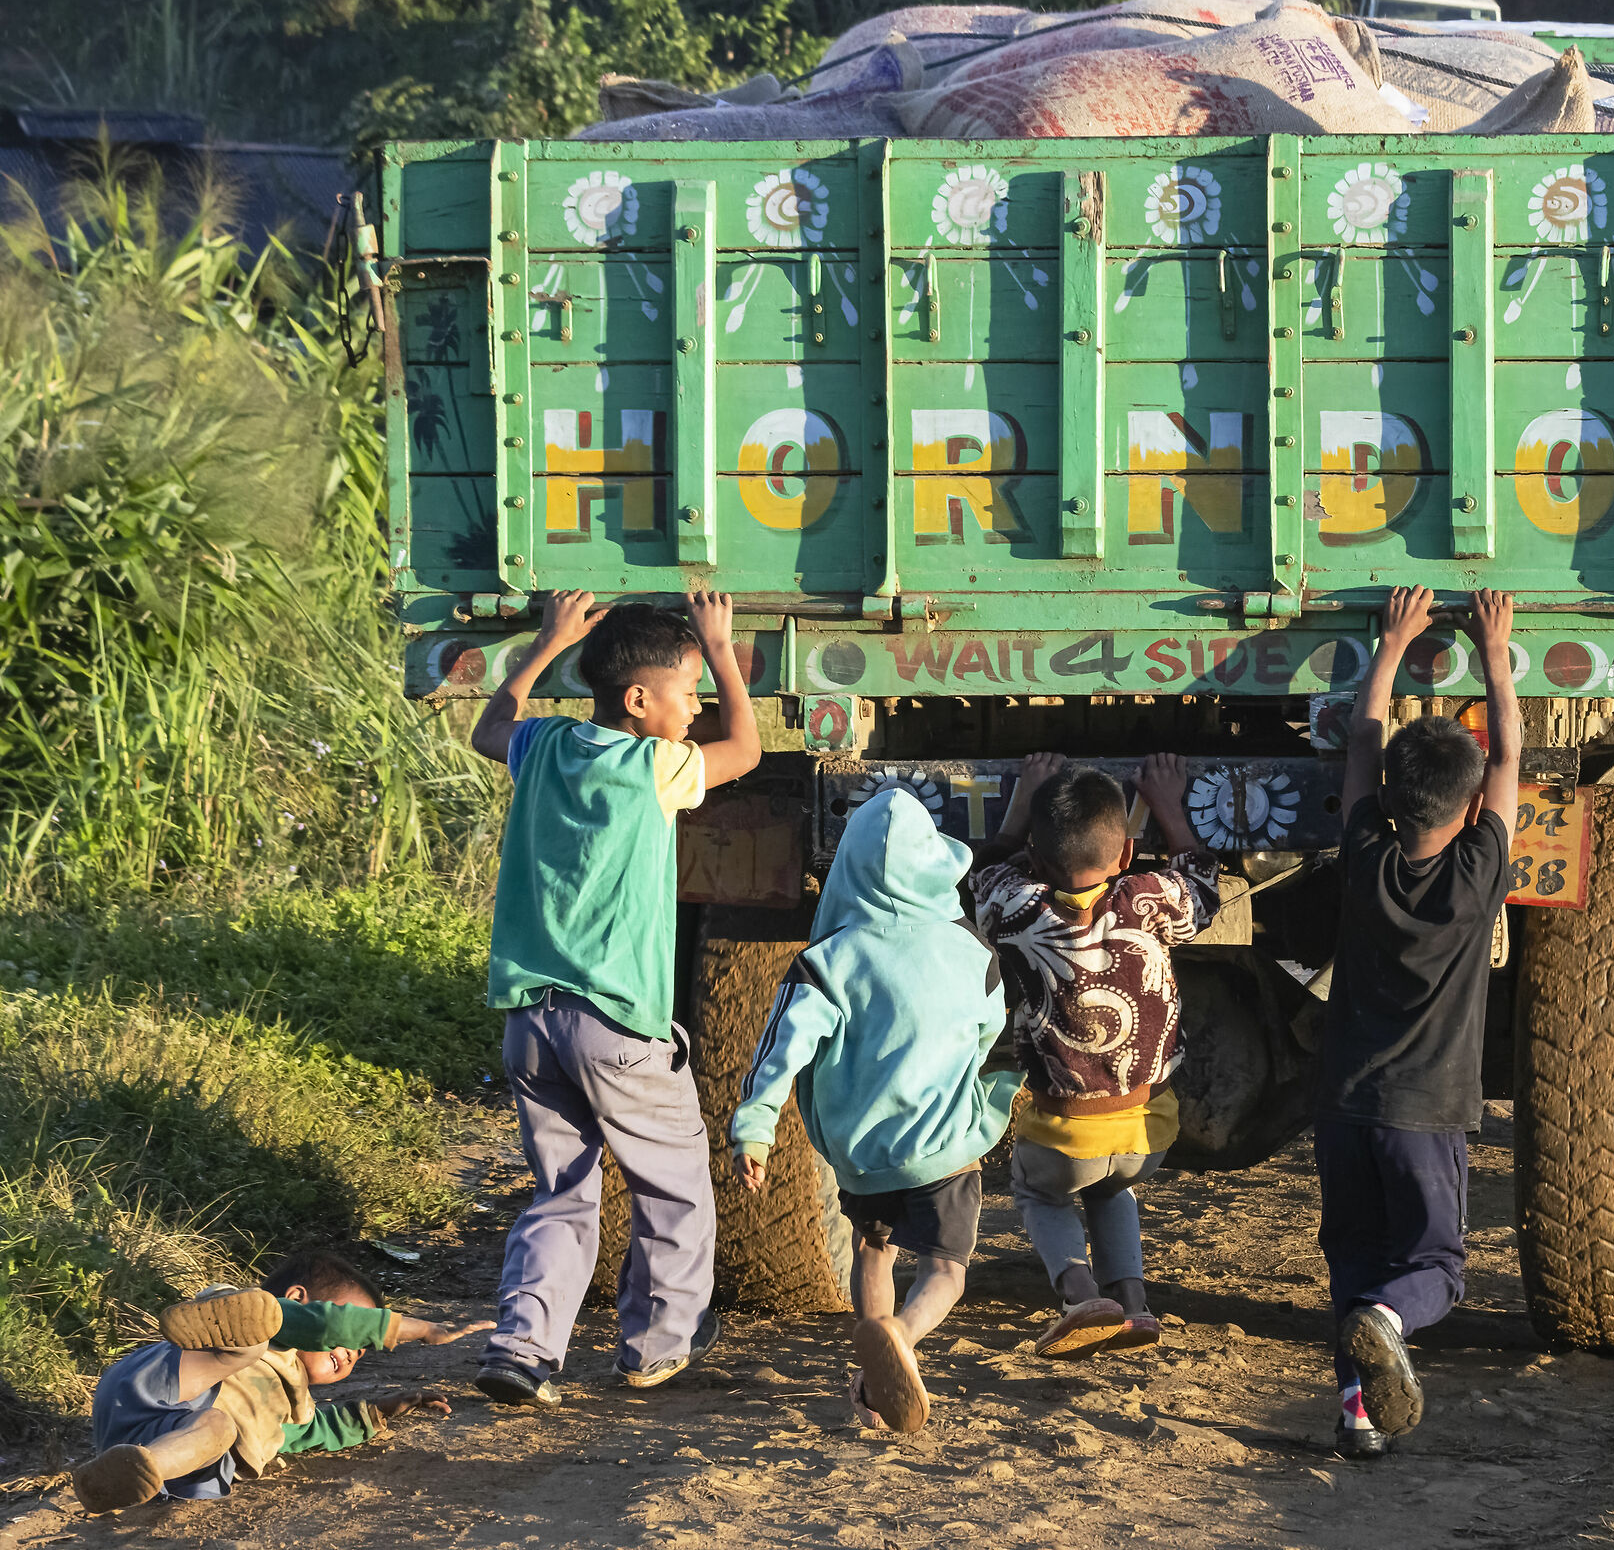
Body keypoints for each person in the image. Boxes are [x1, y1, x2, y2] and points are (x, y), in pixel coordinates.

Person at [467, 591, 762, 1407]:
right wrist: (722, 646)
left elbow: (489, 730)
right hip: (617, 1025)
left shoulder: (544, 745)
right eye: (689, 692)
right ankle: (656, 1344)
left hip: (531, 1021)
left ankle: (522, 1347)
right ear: (639, 700)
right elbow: (746, 748)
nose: (696, 708)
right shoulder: (653, 768)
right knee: (672, 1184)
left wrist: (545, 643)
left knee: (561, 1191)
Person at [730, 788, 1016, 1435]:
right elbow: (991, 1038)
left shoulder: (826, 962)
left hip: (863, 1154)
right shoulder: (971, 951)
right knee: (945, 1270)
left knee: (872, 1249)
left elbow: (780, 1049)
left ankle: (873, 1378)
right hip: (945, 1145)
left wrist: (755, 1127)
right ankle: (902, 1337)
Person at [1316, 585, 1519, 1459]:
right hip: (1425, 1117)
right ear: (1470, 811)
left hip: (1344, 1107)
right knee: (1432, 1270)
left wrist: (1390, 643)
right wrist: (1494, 652)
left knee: (1354, 1259)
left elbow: (1362, 742)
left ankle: (1358, 1416)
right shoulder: (1477, 876)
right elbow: (1508, 755)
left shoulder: (1365, 856)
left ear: (1389, 803)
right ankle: (1391, 1322)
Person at [969, 752, 1220, 1359]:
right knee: (1111, 1189)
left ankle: (1080, 1295)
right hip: (1149, 1132)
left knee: (1038, 1192)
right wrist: (1169, 809)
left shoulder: (1014, 905)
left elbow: (983, 872)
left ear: (1036, 858)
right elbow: (1203, 889)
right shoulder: (1149, 898)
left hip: (1064, 1133)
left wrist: (1022, 800)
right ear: (1126, 854)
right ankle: (1133, 1303)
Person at [72, 1254, 489, 1512]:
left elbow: (313, 1432)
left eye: (361, 1353)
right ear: (297, 1298)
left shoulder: (288, 1405)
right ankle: (218, 1306)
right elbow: (320, 1325)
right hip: (169, 1381)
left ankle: (134, 1473)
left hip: (161, 1441)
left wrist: (377, 1412)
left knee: (219, 1429)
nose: (352, 1352)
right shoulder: (268, 1328)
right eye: (353, 1335)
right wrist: (417, 1329)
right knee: (253, 1340)